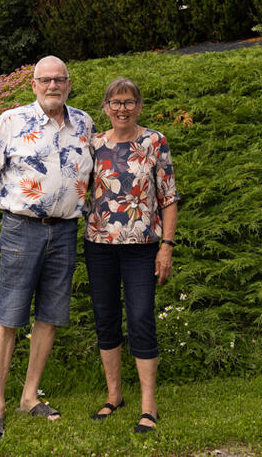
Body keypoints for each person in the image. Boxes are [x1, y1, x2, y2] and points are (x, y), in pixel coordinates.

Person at [0, 55, 94, 441]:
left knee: (51, 314)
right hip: (22, 230)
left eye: (60, 79)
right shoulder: (11, 121)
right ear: (33, 84)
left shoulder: (85, 123)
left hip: (66, 231)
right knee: (9, 315)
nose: (53, 86)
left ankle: (29, 396)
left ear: (69, 83)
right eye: (45, 80)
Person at [83, 77, 179, 434]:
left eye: (129, 102)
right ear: (105, 108)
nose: (122, 108)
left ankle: (148, 405)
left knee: (141, 318)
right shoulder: (93, 145)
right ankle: (114, 395)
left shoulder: (155, 142)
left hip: (142, 249)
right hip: (99, 246)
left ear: (139, 106)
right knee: (106, 318)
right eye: (115, 102)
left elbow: (168, 198)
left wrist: (166, 247)